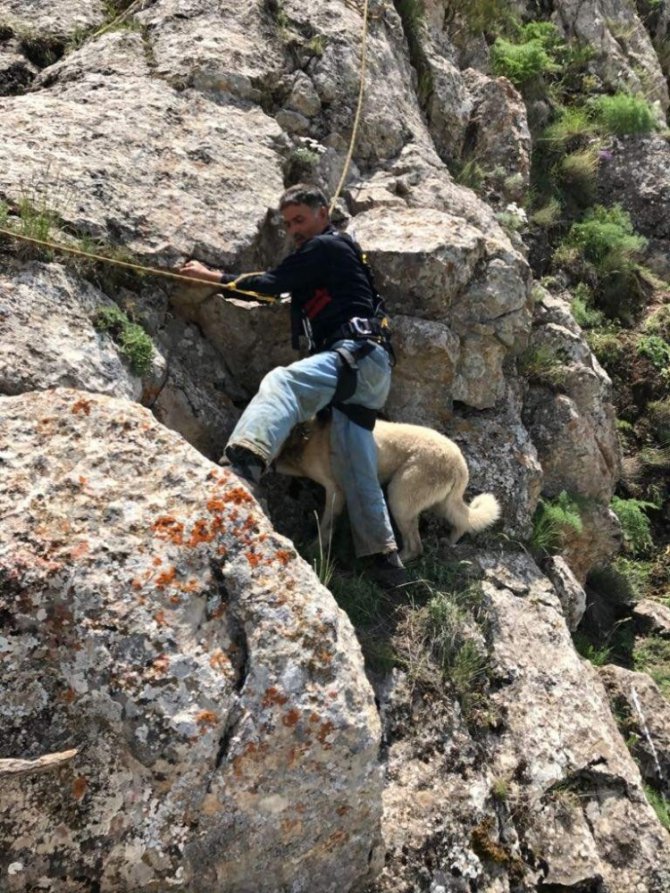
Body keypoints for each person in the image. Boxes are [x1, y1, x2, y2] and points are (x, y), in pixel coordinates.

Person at [179, 184, 408, 588]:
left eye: (300, 220)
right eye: (287, 224)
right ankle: (385, 560)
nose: (294, 230)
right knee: (355, 460)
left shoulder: (326, 247)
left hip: (354, 355)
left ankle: (243, 464)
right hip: (370, 369)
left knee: (283, 382)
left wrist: (211, 276)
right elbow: (281, 288)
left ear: (324, 213)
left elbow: (271, 283)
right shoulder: (334, 257)